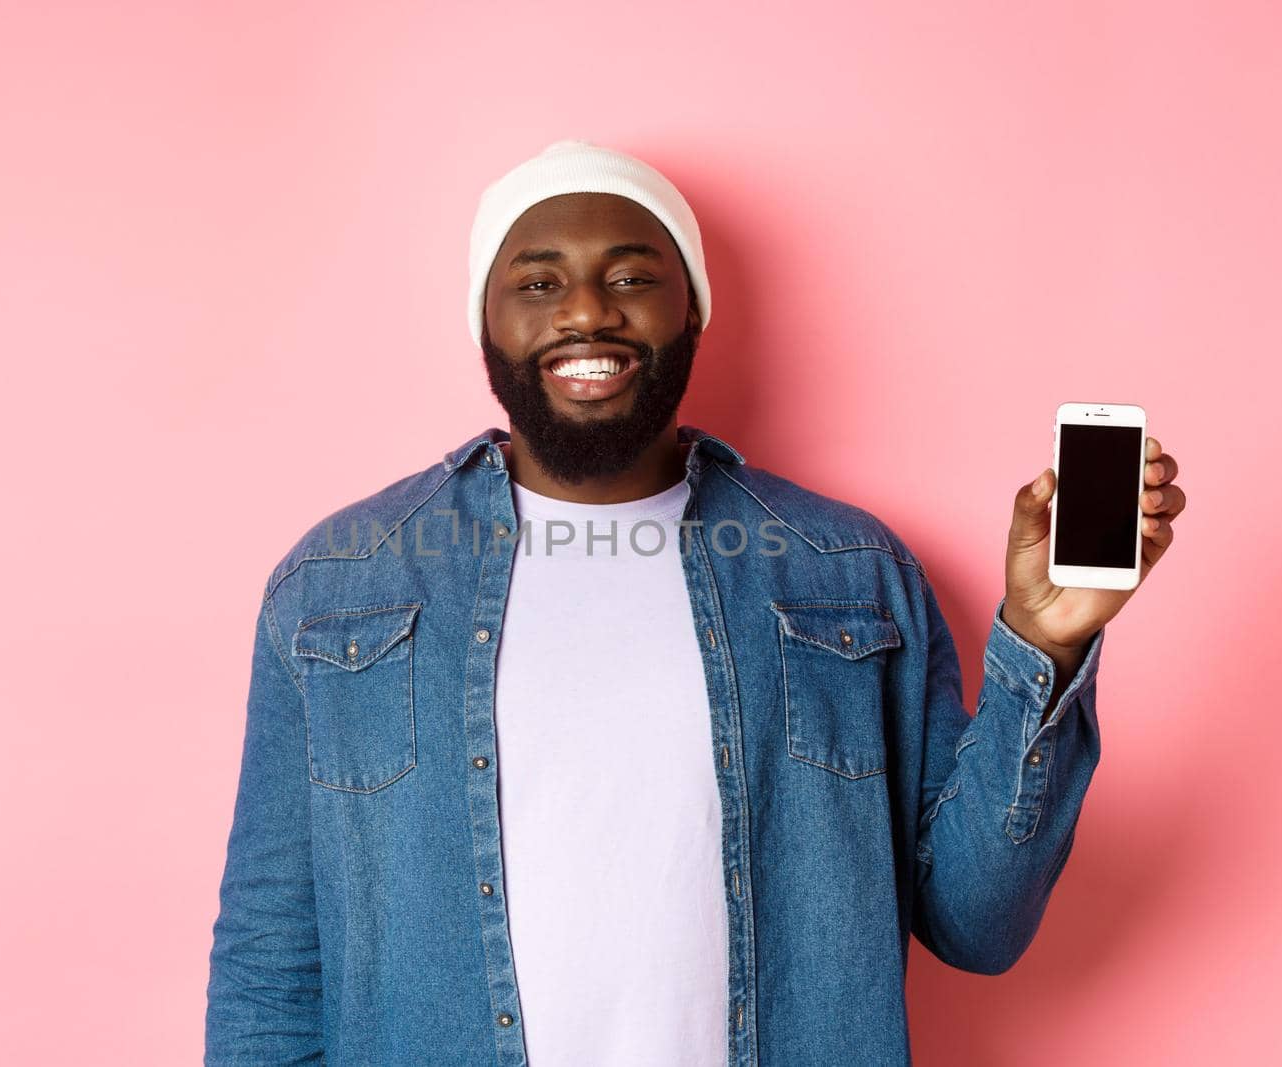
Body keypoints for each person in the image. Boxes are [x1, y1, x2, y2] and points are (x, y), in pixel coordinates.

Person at [204, 139, 1185, 1066]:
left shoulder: (844, 570)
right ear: (485, 321)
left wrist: (1040, 646)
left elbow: (978, 923)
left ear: (693, 314)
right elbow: (270, 959)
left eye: (631, 275)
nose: (586, 310)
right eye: (538, 281)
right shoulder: (343, 584)